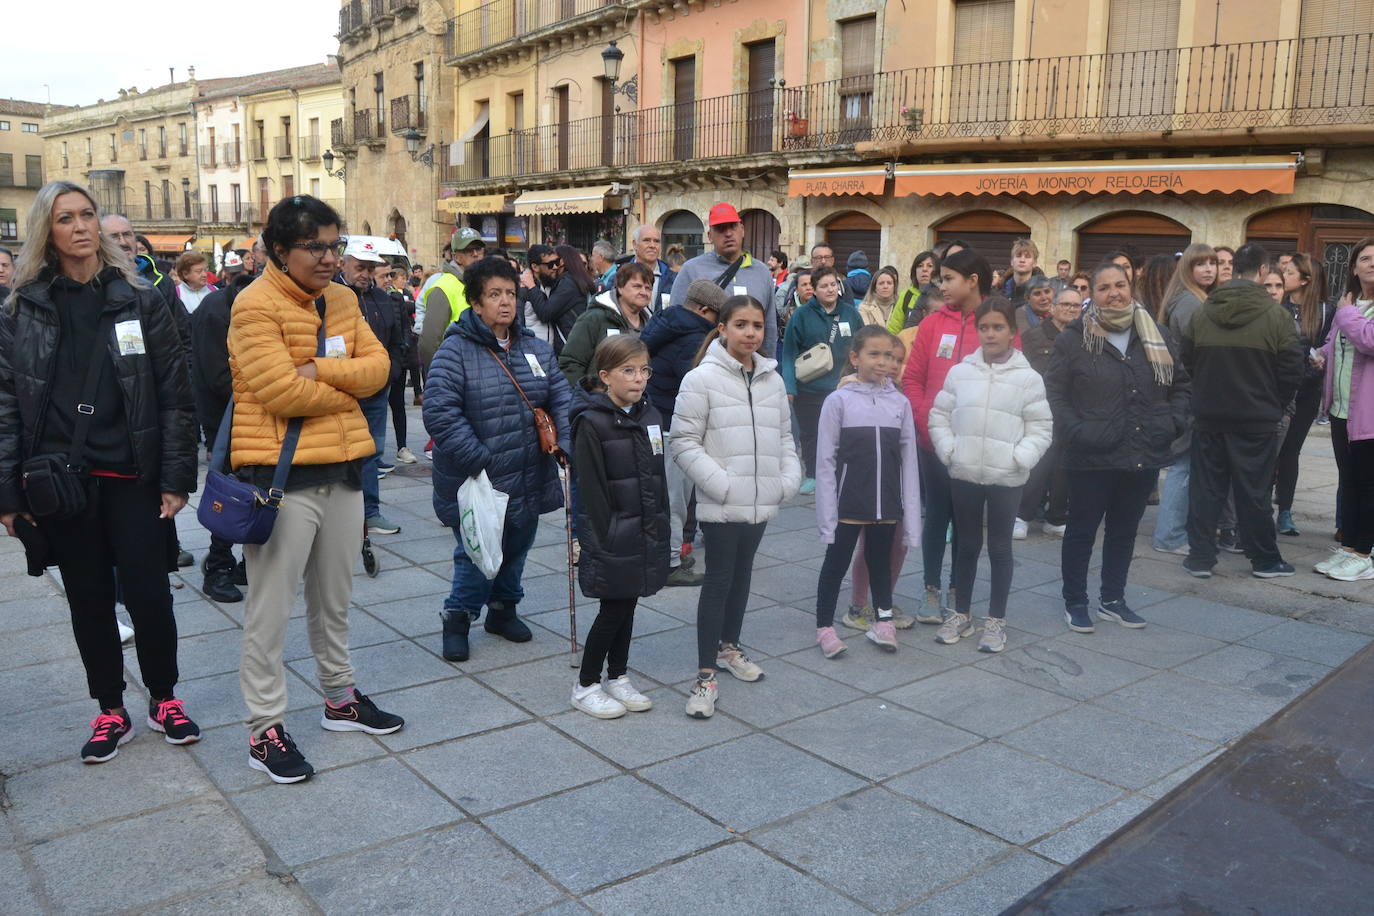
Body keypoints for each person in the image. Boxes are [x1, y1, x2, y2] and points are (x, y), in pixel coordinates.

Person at [0, 180, 200, 763]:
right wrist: (8, 495)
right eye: (67, 218)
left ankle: (164, 698)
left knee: (150, 596)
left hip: (132, 476)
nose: (81, 227)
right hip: (62, 482)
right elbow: (7, 406)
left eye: (88, 215)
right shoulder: (21, 309)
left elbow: (174, 393)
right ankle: (110, 708)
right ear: (48, 230)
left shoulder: (140, 298)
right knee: (88, 600)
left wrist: (175, 478)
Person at [228, 196, 402, 784]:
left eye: (336, 245)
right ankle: (264, 728)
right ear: (280, 250)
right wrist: (349, 389)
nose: (331, 257)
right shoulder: (254, 306)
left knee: (334, 602)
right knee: (269, 613)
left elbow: (380, 369)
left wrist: (323, 372)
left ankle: (339, 698)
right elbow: (280, 393)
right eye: (317, 247)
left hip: (344, 475)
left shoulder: (346, 299)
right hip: (281, 483)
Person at [424, 257, 572, 663]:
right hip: (479, 478)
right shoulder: (455, 352)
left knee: (517, 547)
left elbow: (560, 396)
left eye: (510, 293)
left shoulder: (535, 348)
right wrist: (479, 458)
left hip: (528, 472)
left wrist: (566, 442)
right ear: (475, 302)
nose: (505, 302)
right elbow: (440, 412)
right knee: (476, 554)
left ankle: (503, 611)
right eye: (494, 294)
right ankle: (457, 617)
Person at [672, 295, 801, 718]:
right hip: (723, 500)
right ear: (722, 328)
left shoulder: (772, 379)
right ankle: (704, 675)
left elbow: (785, 437)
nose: (750, 333)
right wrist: (720, 485)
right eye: (741, 324)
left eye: (757, 326)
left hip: (761, 499)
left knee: (743, 575)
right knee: (719, 579)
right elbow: (683, 442)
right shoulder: (702, 379)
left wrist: (786, 480)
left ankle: (730, 648)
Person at [1047, 261, 1190, 633]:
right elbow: (1055, 394)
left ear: (1132, 287)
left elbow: (1182, 385)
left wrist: (1171, 423)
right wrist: (1077, 430)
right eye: (1104, 287)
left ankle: (1113, 599)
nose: (1114, 293)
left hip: (1142, 450)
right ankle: (1076, 601)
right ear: (1090, 295)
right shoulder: (1075, 338)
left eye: (1120, 285)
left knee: (1124, 532)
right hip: (1090, 454)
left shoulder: (1155, 333)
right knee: (1081, 531)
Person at [929, 296, 1052, 653]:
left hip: (1005, 477)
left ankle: (996, 620)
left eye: (998, 327)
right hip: (964, 472)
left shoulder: (1028, 378)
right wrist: (949, 450)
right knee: (966, 547)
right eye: (984, 327)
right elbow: (939, 415)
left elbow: (1041, 427)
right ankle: (962, 613)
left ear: (1012, 332)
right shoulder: (960, 372)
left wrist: (1021, 457)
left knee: (1000, 549)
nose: (990, 334)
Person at [1181, 243, 1302, 580]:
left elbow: (1187, 362)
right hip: (1256, 419)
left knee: (1206, 489)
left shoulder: (1202, 313)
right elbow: (1292, 371)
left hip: (1209, 416)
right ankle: (1263, 559)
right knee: (1254, 491)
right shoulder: (1277, 317)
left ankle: (1200, 558)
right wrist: (1273, 405)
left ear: (1233, 269)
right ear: (1263, 271)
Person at [569, 336, 668, 718]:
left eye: (644, 370)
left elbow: (657, 475)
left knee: (628, 603)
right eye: (628, 370)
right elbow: (590, 491)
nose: (639, 378)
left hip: (643, 527)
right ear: (605, 376)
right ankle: (586, 684)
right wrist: (604, 536)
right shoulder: (591, 423)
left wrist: (659, 520)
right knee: (614, 608)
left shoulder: (650, 416)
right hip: (612, 533)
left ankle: (618, 675)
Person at [812, 326, 921, 657]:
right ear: (855, 357)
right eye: (874, 354)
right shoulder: (838, 401)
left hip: (886, 503)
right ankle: (825, 626)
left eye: (888, 355)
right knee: (837, 561)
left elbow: (909, 462)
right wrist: (827, 515)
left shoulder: (900, 404)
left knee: (880, 561)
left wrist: (910, 516)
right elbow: (825, 460)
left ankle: (883, 620)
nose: (882, 361)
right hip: (849, 501)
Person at [902, 248, 995, 622]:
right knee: (937, 515)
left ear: (972, 281)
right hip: (932, 441)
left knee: (968, 520)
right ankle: (930, 587)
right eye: (940, 279)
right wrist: (924, 419)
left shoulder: (995, 321)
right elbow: (912, 378)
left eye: (948, 279)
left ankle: (960, 588)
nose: (941, 285)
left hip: (975, 444)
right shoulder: (931, 325)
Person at [641, 279, 725, 587]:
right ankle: (671, 562)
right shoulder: (693, 337)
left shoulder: (668, 321)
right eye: (718, 316)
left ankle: (668, 553)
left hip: (658, 420)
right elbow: (694, 384)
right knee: (674, 498)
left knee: (668, 494)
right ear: (704, 311)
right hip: (675, 424)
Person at [190, 252, 253, 602]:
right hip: (225, 416)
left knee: (255, 489)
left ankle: (246, 562)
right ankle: (217, 566)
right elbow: (217, 376)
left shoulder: (241, 304)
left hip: (250, 411)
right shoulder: (217, 311)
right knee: (229, 493)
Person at [1150, 244, 1218, 555]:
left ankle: (1174, 532)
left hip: (1186, 390)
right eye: (1200, 264)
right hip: (1190, 391)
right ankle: (1169, 536)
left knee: (1184, 464)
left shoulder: (1189, 299)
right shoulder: (1190, 303)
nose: (1208, 269)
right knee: (1183, 466)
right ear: (1187, 269)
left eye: (1212, 263)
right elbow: (1199, 353)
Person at [1316, 238, 1374, 581]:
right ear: (1354, 267)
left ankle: (1365, 552)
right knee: (1350, 483)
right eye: (1365, 258)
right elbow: (1333, 342)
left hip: (1369, 415)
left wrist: (1346, 312)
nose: (1371, 263)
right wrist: (1320, 355)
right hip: (1340, 411)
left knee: (1369, 486)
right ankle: (1350, 547)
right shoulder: (1350, 304)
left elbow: (1368, 340)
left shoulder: (1347, 308)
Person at [339, 240, 406, 537]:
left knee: (371, 452)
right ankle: (342, 515)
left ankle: (371, 512)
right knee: (341, 454)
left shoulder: (383, 299)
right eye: (360, 267)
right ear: (343, 265)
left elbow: (396, 341)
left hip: (377, 391)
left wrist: (390, 372)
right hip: (342, 392)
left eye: (370, 268)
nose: (365, 273)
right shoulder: (331, 297)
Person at [780, 265, 863, 494]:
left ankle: (840, 473)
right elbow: (789, 352)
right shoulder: (801, 315)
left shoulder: (850, 313)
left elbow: (862, 345)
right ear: (814, 290)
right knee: (810, 433)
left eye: (833, 285)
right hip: (809, 387)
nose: (830, 290)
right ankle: (813, 475)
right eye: (824, 286)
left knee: (842, 433)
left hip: (843, 387)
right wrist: (789, 386)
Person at [1015, 287, 1083, 538]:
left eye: (1075, 306)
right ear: (1053, 307)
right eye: (1065, 304)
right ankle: (1022, 515)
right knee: (1038, 466)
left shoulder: (1087, 337)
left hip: (1073, 412)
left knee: (1064, 468)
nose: (1070, 310)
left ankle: (1056, 517)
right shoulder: (1033, 336)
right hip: (1041, 410)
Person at [668, 203, 778, 354]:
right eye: (720, 228)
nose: (728, 233)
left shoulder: (762, 272)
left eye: (732, 226)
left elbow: (770, 326)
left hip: (751, 364)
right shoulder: (691, 270)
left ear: (742, 230)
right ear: (709, 236)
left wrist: (768, 365)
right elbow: (675, 321)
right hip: (706, 365)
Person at [1273, 253, 1332, 537]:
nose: (1284, 276)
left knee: (1290, 451)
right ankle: (1260, 504)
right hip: (1274, 392)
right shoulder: (1276, 305)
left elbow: (1325, 350)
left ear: (1305, 279)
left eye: (1290, 272)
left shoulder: (1324, 311)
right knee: (1268, 451)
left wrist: (1315, 369)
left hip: (1306, 393)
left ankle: (1284, 510)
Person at [558, 262, 654, 387]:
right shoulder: (594, 318)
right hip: (597, 401)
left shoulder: (652, 324)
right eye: (637, 286)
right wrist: (586, 396)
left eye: (648, 288)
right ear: (619, 287)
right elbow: (571, 363)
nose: (643, 292)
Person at [419, 227, 485, 372]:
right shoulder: (443, 287)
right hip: (454, 372)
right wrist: (440, 377)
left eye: (478, 249)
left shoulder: (480, 284)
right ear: (457, 257)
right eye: (469, 250)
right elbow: (429, 342)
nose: (475, 254)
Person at [536, 244, 596, 355]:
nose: (553, 266)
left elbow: (545, 312)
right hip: (578, 343)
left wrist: (531, 288)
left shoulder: (568, 283)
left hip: (569, 347)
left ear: (562, 261)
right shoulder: (577, 280)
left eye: (555, 261)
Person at [520, 243, 563, 347]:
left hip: (550, 352)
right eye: (550, 264)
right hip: (531, 350)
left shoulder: (553, 285)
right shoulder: (522, 289)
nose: (555, 267)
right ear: (535, 267)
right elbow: (517, 324)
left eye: (557, 262)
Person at [888, 249, 939, 332]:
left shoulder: (942, 296)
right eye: (920, 266)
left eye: (930, 266)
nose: (924, 269)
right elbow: (894, 329)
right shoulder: (906, 295)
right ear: (914, 271)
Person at [999, 238, 1042, 305]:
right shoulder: (1000, 292)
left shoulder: (1042, 296)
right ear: (1011, 261)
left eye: (1027, 256)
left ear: (1034, 263)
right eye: (1018, 256)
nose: (1022, 260)